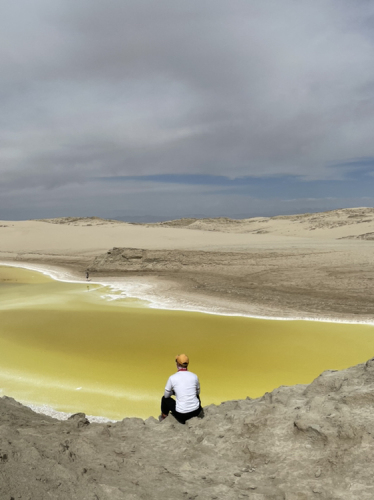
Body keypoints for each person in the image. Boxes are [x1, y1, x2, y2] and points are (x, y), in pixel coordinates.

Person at [160, 354, 202, 424]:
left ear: (177, 364)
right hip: (196, 412)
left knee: (164, 399)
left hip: (182, 415)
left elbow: (166, 395)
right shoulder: (194, 376)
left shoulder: (172, 378)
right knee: (195, 394)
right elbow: (198, 393)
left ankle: (164, 416)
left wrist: (174, 392)